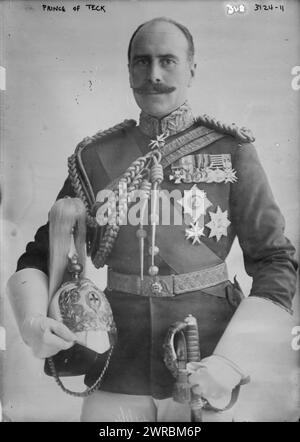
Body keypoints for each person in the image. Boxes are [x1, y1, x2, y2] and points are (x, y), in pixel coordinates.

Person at [7, 17, 298, 422]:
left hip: (206, 355)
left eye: (168, 61)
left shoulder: (231, 151)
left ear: (192, 69)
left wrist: (232, 361)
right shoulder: (95, 158)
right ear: (129, 71)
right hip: (117, 361)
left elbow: (275, 261)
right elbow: (40, 255)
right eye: (141, 62)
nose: (154, 75)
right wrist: (33, 322)